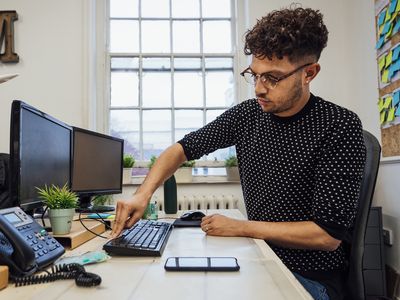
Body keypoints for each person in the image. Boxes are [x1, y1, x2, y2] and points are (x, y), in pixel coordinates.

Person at [112, 5, 366, 300]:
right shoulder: (248, 115)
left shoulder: (339, 125)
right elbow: (181, 149)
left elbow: (326, 236)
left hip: (310, 278)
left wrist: (242, 227)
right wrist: (142, 195)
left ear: (309, 73)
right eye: (254, 75)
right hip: (257, 257)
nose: (258, 89)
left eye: (272, 78)